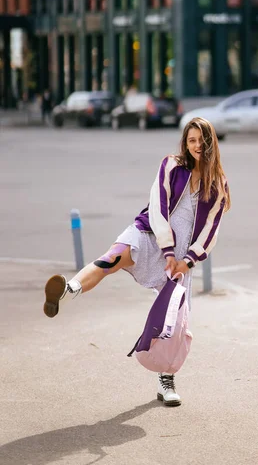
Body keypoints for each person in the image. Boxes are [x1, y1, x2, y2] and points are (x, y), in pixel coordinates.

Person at [43, 117, 231, 407]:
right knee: (111, 258)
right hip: (150, 233)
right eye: (192, 140)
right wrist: (167, 250)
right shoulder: (171, 165)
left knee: (175, 323)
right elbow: (158, 206)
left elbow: (211, 231)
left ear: (211, 143)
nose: (197, 145)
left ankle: (166, 381)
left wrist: (187, 260)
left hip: (181, 259)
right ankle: (68, 290)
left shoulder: (218, 184)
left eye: (202, 140)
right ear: (185, 142)